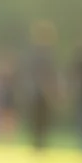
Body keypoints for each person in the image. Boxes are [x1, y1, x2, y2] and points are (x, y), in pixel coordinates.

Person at [23, 20, 60, 153]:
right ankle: (38, 144)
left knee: (43, 120)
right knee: (38, 120)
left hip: (40, 91)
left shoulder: (47, 54)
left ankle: (40, 144)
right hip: (37, 91)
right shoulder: (39, 54)